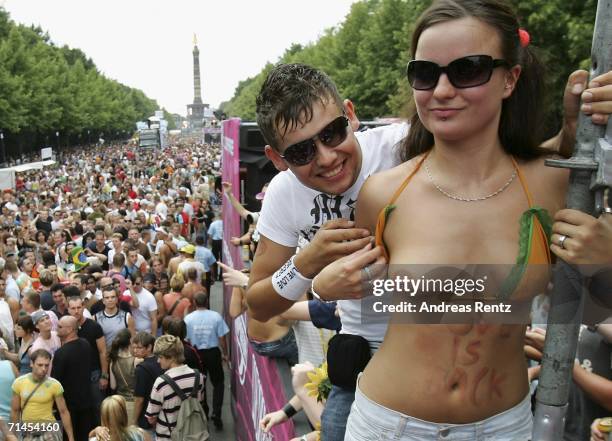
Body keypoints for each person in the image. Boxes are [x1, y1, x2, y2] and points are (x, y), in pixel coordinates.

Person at [310, 1, 612, 439]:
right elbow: (359, 298)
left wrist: (605, 257)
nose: (442, 90)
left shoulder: (552, 185)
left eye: (467, 69)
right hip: (388, 426)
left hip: (504, 428)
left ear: (510, 78)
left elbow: (593, 307)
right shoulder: (383, 194)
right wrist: (322, 284)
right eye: (425, 73)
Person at [144, 335, 205, 440]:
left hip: (168, 436)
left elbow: (151, 417)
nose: (158, 361)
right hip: (194, 435)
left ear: (171, 357)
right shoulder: (198, 376)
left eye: (161, 357)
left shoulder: (161, 382)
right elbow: (200, 402)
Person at [184, 292, 228, 429]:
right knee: (218, 383)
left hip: (196, 354)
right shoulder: (216, 317)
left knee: (199, 384)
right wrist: (225, 354)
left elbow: (187, 340)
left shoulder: (188, 319)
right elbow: (222, 338)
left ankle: (204, 411)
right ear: (207, 301)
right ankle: (217, 412)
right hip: (213, 353)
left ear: (195, 303)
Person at [11, 349, 75, 441]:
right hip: (28, 432)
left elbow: (64, 411)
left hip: (50, 431)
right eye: (40, 365)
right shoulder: (19, 383)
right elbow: (15, 410)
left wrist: (71, 437)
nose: (44, 369)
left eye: (46, 365)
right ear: (31, 363)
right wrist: (14, 435)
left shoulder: (55, 385)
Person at [67, 295, 109, 424]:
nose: (76, 311)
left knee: (99, 407)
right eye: (73, 308)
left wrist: (104, 375)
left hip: (94, 374)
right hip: (75, 377)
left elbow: (103, 352)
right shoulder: (65, 327)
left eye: (79, 307)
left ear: (83, 307)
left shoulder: (94, 326)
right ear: (68, 309)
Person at [51, 316, 94, 441]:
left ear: (69, 329)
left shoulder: (61, 353)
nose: (56, 328)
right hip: (86, 402)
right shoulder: (86, 344)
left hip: (68, 407)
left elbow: (55, 382)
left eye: (59, 326)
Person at [131, 332, 162, 435]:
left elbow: (139, 399)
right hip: (161, 414)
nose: (135, 350)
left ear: (149, 347)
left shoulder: (141, 369)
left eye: (139, 348)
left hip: (147, 418)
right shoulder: (160, 361)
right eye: (134, 347)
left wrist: (134, 421)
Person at [108, 329, 138, 426]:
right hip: (134, 403)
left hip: (119, 403)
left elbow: (113, 386)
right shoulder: (136, 360)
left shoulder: (113, 360)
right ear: (130, 341)